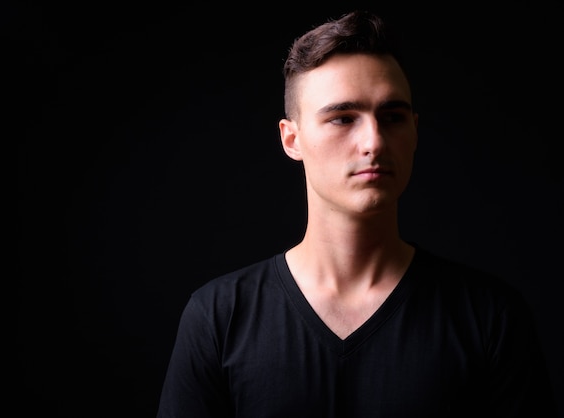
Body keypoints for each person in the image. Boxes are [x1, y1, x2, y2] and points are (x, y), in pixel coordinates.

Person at [156, 9, 556, 417]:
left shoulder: (489, 317)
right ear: (292, 139)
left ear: (414, 131)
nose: (374, 141)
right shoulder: (219, 316)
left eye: (392, 117)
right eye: (343, 118)